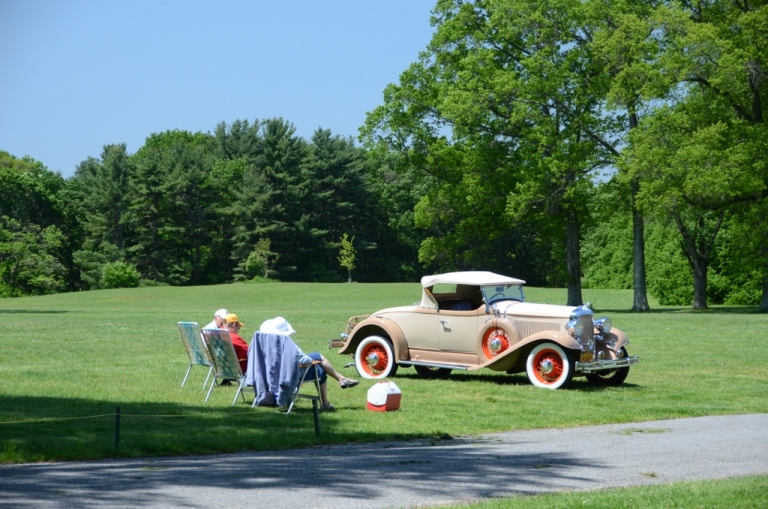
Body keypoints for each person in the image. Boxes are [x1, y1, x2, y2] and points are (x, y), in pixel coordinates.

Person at [257, 316, 359, 411]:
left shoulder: (263, 344)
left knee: (318, 365)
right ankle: (331, 395)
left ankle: (340, 381)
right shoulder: (286, 343)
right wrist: (311, 361)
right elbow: (303, 359)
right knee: (318, 362)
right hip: (288, 375)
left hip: (268, 373)